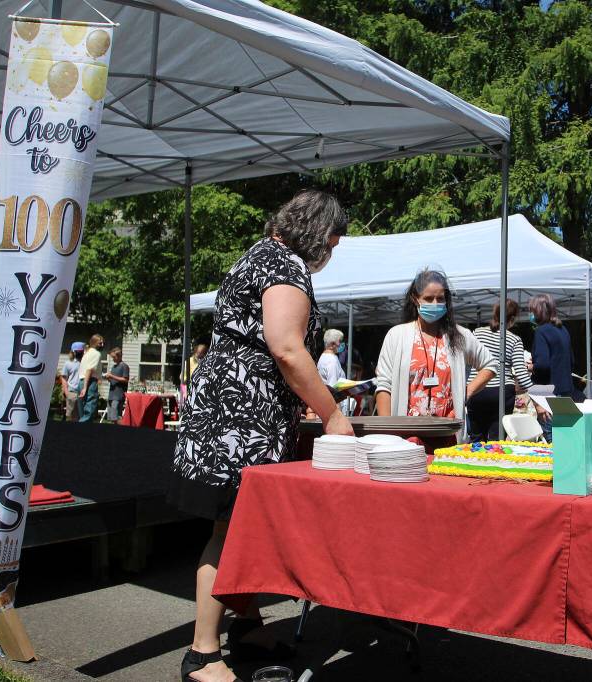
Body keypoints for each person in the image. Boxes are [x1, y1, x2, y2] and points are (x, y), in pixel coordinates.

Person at [169, 190, 352, 682]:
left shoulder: (259, 254)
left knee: (245, 527)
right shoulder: (284, 265)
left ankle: (246, 628)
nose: (332, 251)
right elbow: (288, 349)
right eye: (333, 239)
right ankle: (202, 654)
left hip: (231, 413)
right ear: (318, 231)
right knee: (228, 532)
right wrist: (332, 414)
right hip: (240, 421)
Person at [374, 269, 496, 440]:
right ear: (415, 299)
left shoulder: (460, 336)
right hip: (406, 437)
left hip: (448, 435)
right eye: (429, 298)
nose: (435, 303)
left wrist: (465, 392)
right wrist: (387, 433)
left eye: (440, 299)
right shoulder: (397, 335)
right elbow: (384, 385)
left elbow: (490, 365)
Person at [467, 299, 534, 441]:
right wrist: (537, 394)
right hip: (502, 392)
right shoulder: (514, 339)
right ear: (513, 318)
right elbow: (521, 374)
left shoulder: (477, 333)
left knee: (476, 439)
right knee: (497, 440)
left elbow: (467, 362)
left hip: (477, 389)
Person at [528, 294, 581, 441]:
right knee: (565, 439)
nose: (530, 314)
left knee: (552, 441)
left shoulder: (541, 331)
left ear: (539, 311)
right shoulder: (563, 330)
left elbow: (543, 365)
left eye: (532, 310)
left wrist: (532, 366)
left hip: (548, 394)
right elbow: (571, 361)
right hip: (566, 392)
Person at [77, 334, 104, 423]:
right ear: (94, 343)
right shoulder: (96, 354)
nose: (102, 345)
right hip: (89, 382)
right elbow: (89, 370)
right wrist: (85, 387)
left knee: (83, 410)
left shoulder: (87, 353)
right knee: (90, 410)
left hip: (81, 381)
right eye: (100, 343)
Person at [60, 343, 84, 421]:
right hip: (72, 392)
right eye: (78, 351)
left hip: (83, 393)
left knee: (82, 416)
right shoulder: (68, 363)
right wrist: (66, 392)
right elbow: (64, 378)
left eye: (82, 351)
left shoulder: (85, 362)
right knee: (71, 417)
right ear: (73, 352)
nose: (81, 353)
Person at [104, 347, 130, 421]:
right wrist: (108, 378)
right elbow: (113, 380)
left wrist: (112, 376)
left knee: (116, 417)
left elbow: (125, 379)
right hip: (111, 394)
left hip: (118, 395)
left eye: (114, 357)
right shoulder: (114, 366)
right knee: (111, 417)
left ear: (119, 356)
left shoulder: (124, 366)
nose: (113, 359)